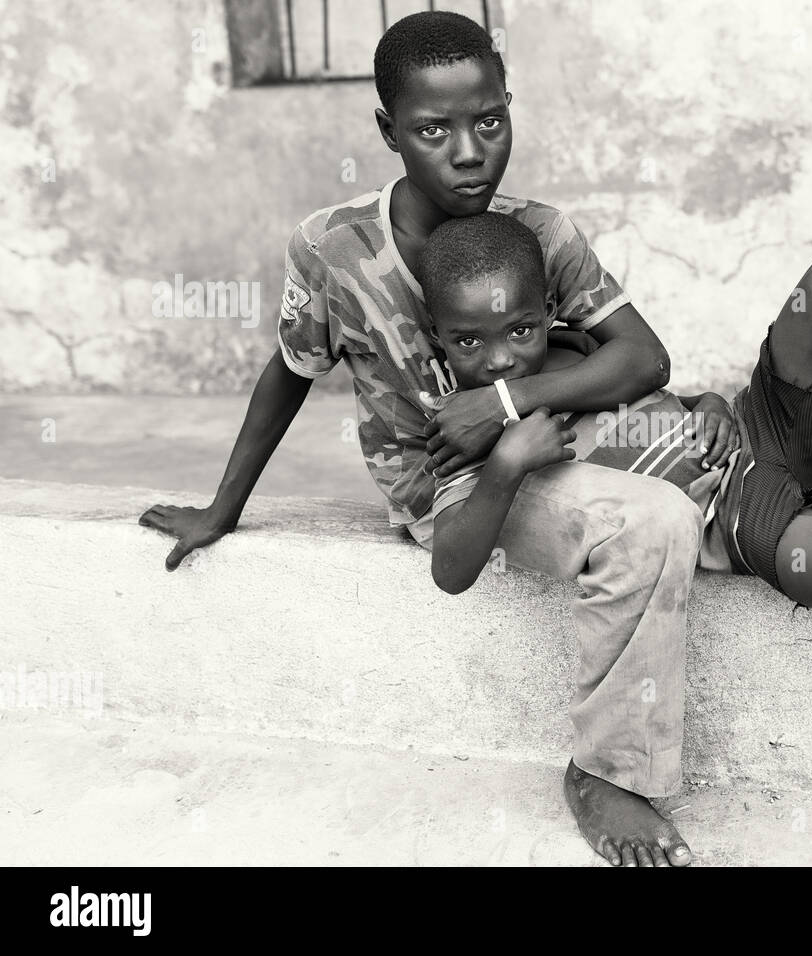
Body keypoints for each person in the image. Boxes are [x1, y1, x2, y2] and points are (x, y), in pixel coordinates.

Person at [138, 12, 721, 866]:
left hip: (549, 444)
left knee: (702, 446)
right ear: (388, 132)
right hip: (454, 492)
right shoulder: (333, 248)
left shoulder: (539, 233)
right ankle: (607, 772)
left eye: (488, 121)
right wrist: (224, 509)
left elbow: (641, 354)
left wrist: (510, 399)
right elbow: (289, 371)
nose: (469, 152)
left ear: (509, 107)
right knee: (655, 523)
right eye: (432, 130)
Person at [412, 212, 812, 866]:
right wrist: (506, 464)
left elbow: (652, 397)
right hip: (736, 508)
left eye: (519, 330)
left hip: (752, 433)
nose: (497, 360)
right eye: (468, 342)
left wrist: (707, 405)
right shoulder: (467, 429)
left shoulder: (578, 351)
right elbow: (452, 565)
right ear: (437, 336)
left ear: (550, 309)